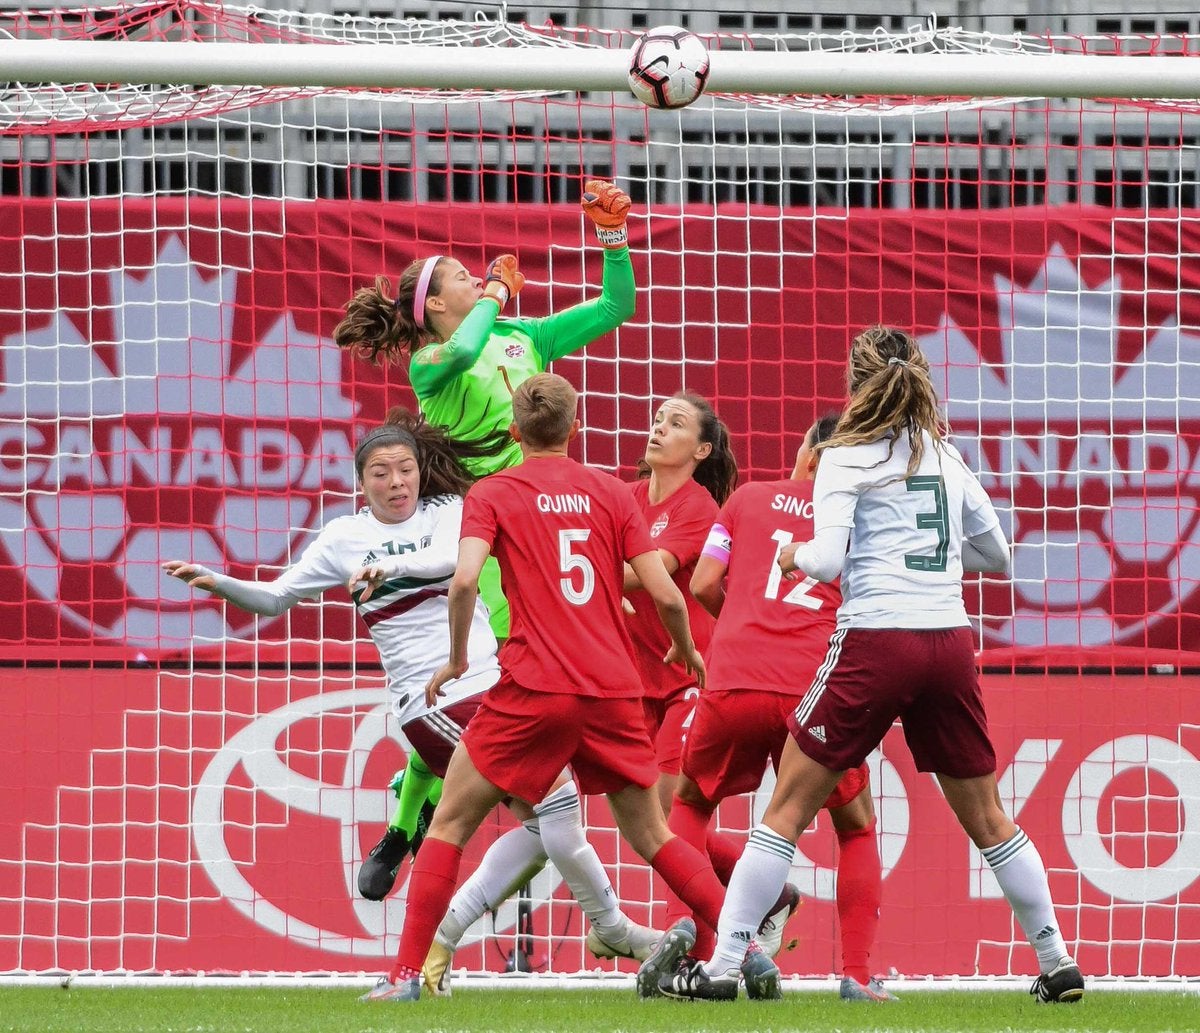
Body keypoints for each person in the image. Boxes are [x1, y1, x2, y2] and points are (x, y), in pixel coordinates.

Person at [646, 325, 1084, 1004]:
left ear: (855, 386)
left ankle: (726, 963)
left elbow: (822, 560)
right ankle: (1057, 962)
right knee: (990, 816)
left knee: (786, 808)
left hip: (877, 639)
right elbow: (997, 554)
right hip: (948, 643)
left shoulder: (846, 456)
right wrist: (931, 562)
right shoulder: (942, 453)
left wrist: (792, 557)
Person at [163, 409, 656, 970]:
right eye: (380, 473)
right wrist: (221, 584)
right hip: (435, 701)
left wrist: (387, 573)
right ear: (360, 481)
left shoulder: (450, 513)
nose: (395, 482)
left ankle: (443, 940)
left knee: (549, 824)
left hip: (498, 687)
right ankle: (610, 928)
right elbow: (276, 597)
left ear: (421, 472)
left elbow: (453, 562)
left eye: (404, 469)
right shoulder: (345, 538)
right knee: (556, 809)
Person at [360, 373, 780, 1004]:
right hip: (612, 689)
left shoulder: (495, 492)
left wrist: (452, 662)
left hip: (531, 689)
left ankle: (402, 980)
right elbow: (666, 593)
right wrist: (687, 649)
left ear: (514, 431)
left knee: (448, 822)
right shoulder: (614, 494)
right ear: (575, 429)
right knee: (655, 836)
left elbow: (464, 584)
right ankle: (742, 946)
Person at [333, 179, 636, 871]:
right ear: (435, 305)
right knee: (493, 686)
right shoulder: (431, 362)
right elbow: (468, 352)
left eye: (479, 277)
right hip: (481, 529)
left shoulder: (526, 336)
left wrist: (613, 238)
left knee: (509, 688)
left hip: (542, 521)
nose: (480, 279)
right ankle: (409, 821)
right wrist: (498, 295)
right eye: (462, 279)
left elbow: (618, 305)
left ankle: (411, 811)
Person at [660, 414, 892, 1001]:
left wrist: (745, 621)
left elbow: (706, 583)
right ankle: (858, 976)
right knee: (856, 827)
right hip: (812, 688)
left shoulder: (746, 498)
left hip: (734, 676)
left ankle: (700, 944)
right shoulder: (863, 522)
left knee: (689, 803)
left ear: (809, 455)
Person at [622, 391, 737, 817]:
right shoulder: (625, 498)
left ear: (702, 450)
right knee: (646, 826)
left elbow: (645, 574)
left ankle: (756, 884)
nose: (658, 428)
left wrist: (598, 576)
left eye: (675, 424)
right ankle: (769, 888)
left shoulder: (698, 508)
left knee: (667, 814)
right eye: (657, 419)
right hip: (635, 684)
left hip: (689, 680)